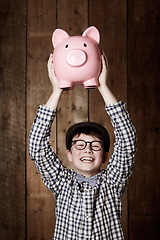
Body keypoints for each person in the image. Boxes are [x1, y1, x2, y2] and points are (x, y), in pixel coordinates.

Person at [28, 53, 137, 240]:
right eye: (80, 144)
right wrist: (57, 89)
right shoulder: (61, 183)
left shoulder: (113, 182)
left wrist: (102, 87)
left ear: (104, 156)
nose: (87, 149)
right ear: (69, 154)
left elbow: (127, 140)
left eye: (95, 145)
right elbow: (36, 146)